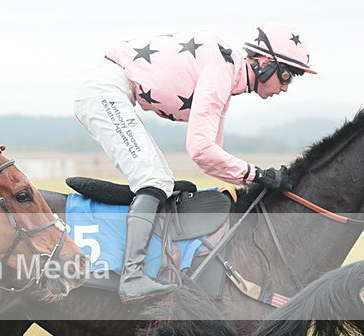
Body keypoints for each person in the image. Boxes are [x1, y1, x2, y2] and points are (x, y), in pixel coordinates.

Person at [74, 24, 315, 302]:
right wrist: (258, 174)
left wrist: (256, 177)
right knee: (154, 180)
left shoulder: (228, 73)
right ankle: (131, 277)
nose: (285, 87)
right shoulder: (222, 72)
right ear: (263, 64)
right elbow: (201, 150)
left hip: (112, 91)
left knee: (160, 179)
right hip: (105, 90)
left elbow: (213, 156)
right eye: (286, 75)